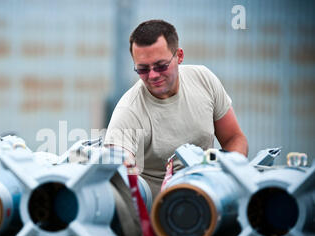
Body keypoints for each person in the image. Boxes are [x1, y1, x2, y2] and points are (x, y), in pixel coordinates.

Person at [104, 19, 248, 199]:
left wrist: (227, 176)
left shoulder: (204, 80)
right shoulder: (128, 111)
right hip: (158, 218)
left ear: (179, 56)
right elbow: (118, 175)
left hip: (212, 203)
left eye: (161, 66)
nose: (153, 75)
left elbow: (234, 137)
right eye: (143, 69)